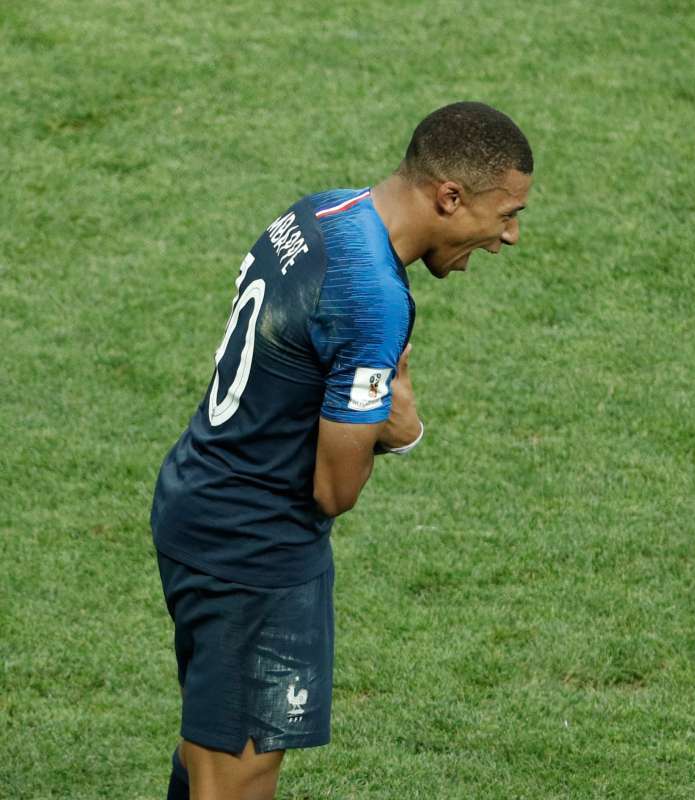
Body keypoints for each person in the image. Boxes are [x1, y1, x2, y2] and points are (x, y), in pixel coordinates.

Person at [150, 101, 533, 800]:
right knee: (236, 775)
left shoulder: (322, 212)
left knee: (209, 748)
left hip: (199, 500)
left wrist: (387, 414)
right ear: (449, 197)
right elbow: (336, 489)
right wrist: (401, 420)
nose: (508, 236)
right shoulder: (374, 297)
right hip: (255, 548)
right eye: (505, 214)